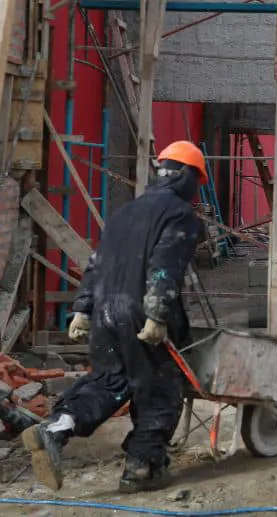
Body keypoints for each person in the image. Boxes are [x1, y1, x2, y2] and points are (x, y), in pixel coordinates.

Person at [22, 141, 208, 494]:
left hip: (106, 313)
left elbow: (97, 262)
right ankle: (141, 468)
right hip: (139, 316)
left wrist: (82, 308)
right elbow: (165, 264)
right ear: (184, 176)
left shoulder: (125, 212)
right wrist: (156, 314)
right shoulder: (180, 215)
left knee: (108, 382)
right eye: (196, 181)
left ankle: (57, 428)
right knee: (159, 390)